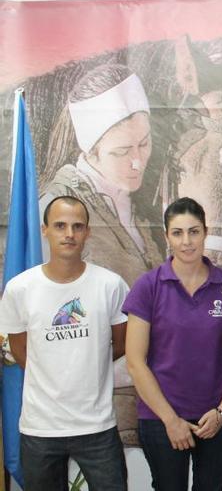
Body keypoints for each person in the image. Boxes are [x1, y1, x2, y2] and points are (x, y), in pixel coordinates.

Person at [0, 196, 128, 489]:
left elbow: (120, 344)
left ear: (87, 232)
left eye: (77, 226)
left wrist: (88, 360)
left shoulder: (111, 285)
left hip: (97, 426)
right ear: (45, 230)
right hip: (40, 428)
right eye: (60, 225)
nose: (69, 234)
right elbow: (20, 351)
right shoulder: (20, 289)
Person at [123, 197, 222, 490]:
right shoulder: (148, 286)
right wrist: (171, 420)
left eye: (194, 231)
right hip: (160, 417)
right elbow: (134, 361)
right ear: (167, 236)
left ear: (205, 232)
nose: (186, 241)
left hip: (215, 416)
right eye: (177, 233)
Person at [40, 63, 164, 285]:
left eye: (144, 144)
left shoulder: (146, 199)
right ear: (92, 151)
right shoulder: (55, 206)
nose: (138, 163)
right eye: (122, 151)